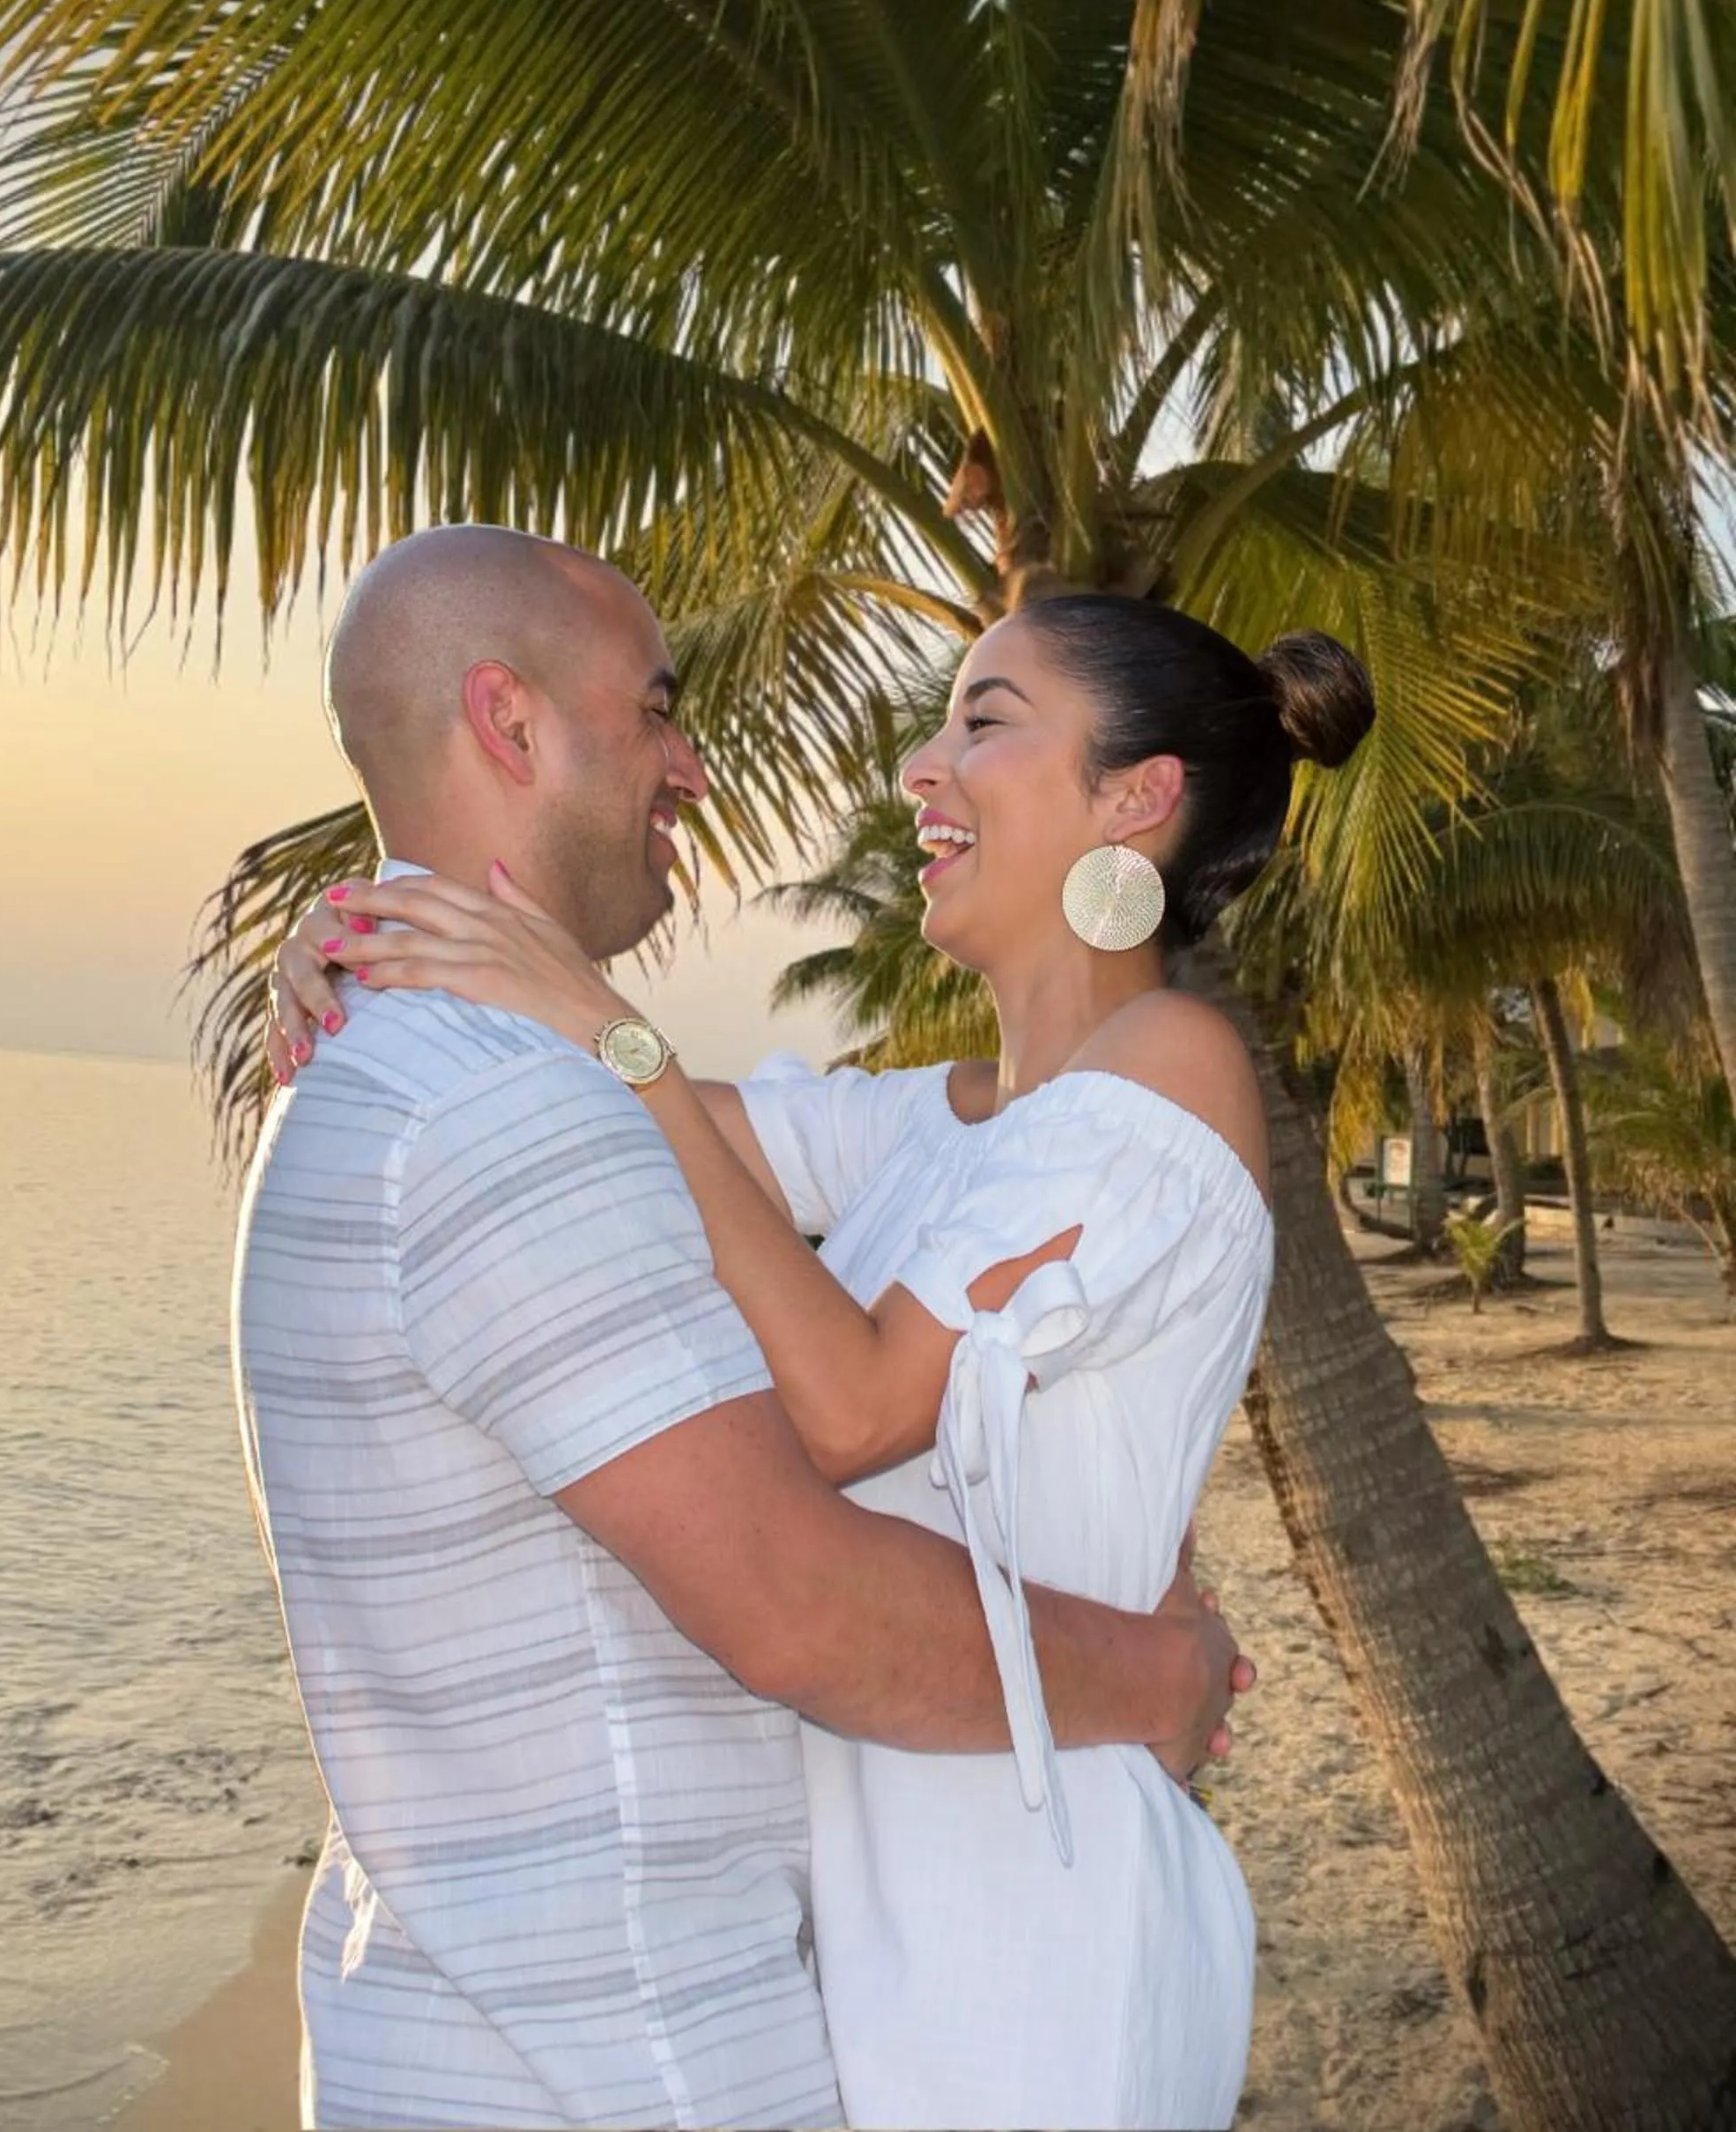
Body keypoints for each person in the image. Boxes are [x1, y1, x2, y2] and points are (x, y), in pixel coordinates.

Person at [273, 560, 1375, 2131]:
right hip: (874, 1925)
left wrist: (612, 1030)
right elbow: (647, 1120)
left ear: (1136, 800)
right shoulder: (952, 1122)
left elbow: (858, 1404)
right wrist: (379, 944)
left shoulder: (1173, 1071)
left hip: (1032, 1930)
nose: (919, 771)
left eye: (982, 726)